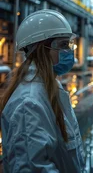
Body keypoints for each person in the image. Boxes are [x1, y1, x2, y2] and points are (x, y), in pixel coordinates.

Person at [0, 9, 85, 173]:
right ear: (41, 49)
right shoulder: (28, 104)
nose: (69, 51)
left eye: (69, 44)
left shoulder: (50, 87)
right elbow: (33, 168)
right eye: (62, 45)